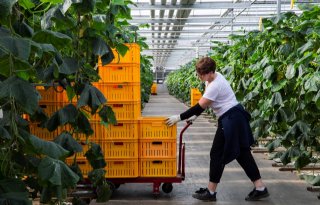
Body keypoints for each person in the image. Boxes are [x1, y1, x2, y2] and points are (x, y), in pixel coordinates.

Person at [166, 57, 269, 202]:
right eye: (199, 73)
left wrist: (179, 117)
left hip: (230, 119)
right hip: (235, 117)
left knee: (217, 154)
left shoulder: (215, 85)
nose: (200, 76)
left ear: (210, 72)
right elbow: (206, 102)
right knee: (242, 153)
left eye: (202, 74)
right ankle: (260, 188)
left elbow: (200, 105)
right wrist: (195, 116)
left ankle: (211, 191)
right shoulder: (214, 78)